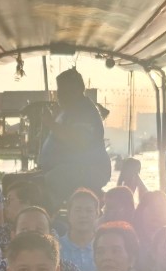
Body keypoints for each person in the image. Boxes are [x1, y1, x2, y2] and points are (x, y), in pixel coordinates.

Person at [37, 67, 111, 201]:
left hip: (89, 169)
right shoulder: (69, 110)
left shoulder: (85, 111)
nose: (58, 94)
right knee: (17, 181)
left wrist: (51, 123)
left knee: (43, 184)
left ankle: (50, 217)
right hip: (64, 168)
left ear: (76, 90)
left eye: (63, 90)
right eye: (59, 90)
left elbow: (78, 141)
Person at [0, 175, 46, 250]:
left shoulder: (47, 230)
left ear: (26, 203)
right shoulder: (6, 229)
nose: (5, 205)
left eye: (9, 200)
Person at [58, 188, 100, 271]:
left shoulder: (105, 247)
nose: (83, 215)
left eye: (89, 211)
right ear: (68, 214)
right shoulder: (56, 248)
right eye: (78, 210)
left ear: (97, 215)